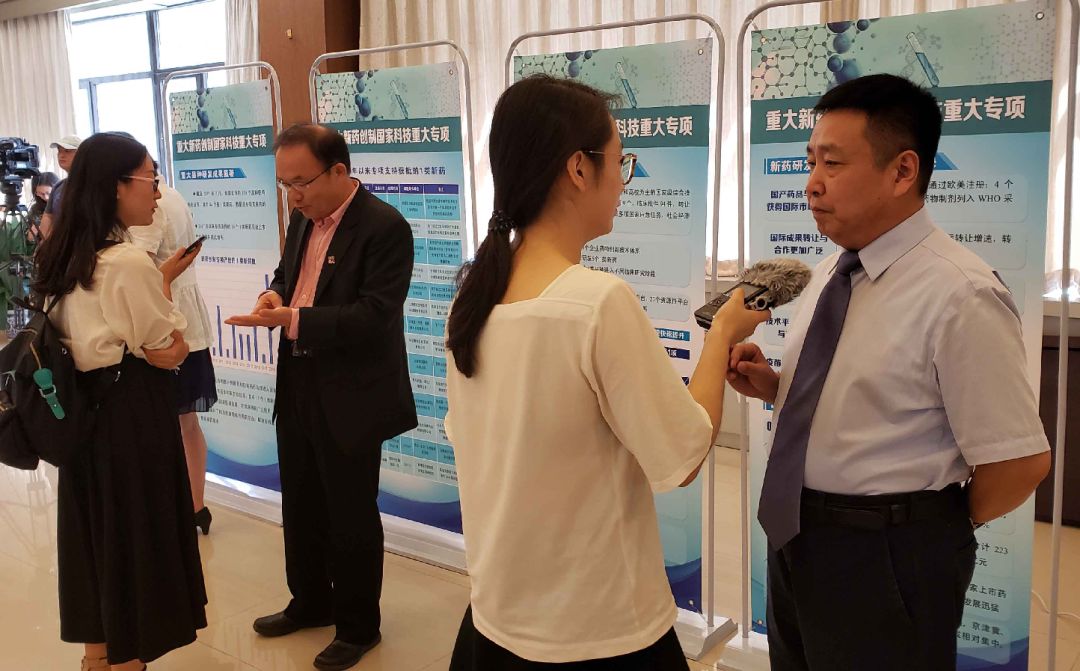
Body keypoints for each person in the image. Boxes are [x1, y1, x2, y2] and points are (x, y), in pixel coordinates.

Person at [443, 74, 769, 670]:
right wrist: (721, 333)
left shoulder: (475, 298)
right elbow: (684, 453)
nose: (623, 180)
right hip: (600, 629)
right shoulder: (596, 303)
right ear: (578, 168)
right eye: (621, 162)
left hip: (498, 615)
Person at [727, 74, 1051, 670]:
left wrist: (922, 532)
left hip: (887, 555)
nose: (812, 183)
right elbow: (868, 395)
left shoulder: (960, 293)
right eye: (810, 161)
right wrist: (774, 386)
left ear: (903, 171)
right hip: (795, 534)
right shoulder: (832, 271)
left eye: (833, 163)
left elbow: (1020, 462)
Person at [226, 123, 417, 671]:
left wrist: (294, 319)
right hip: (298, 379)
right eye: (285, 184)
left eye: (302, 183)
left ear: (338, 170)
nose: (294, 196)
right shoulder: (302, 219)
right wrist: (274, 293)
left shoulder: (385, 227)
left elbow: (375, 315)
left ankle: (358, 627)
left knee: (350, 511)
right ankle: (310, 602)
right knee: (302, 501)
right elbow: (290, 274)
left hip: (351, 390)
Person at [31, 132, 207, 670]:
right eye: (149, 178)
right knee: (134, 541)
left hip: (82, 413)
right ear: (116, 187)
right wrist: (166, 296)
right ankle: (129, 660)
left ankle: (97, 658)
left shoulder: (60, 252)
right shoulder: (127, 262)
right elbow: (166, 348)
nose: (156, 192)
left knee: (93, 540)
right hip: (129, 415)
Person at [127, 166, 216, 535]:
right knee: (187, 422)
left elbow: (139, 270)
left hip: (163, 323)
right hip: (186, 321)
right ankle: (196, 506)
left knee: (162, 423)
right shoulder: (173, 194)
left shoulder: (149, 203)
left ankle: (172, 510)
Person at [40, 134, 81, 239]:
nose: (61, 155)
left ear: (81, 154)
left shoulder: (91, 184)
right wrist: (44, 242)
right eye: (59, 151)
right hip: (60, 243)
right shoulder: (58, 186)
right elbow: (48, 216)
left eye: (67, 151)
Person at [27, 171, 59, 242]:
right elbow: (29, 240)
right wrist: (30, 237)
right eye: (41, 193)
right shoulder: (35, 209)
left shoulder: (66, 205)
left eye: (49, 193)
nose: (46, 197)